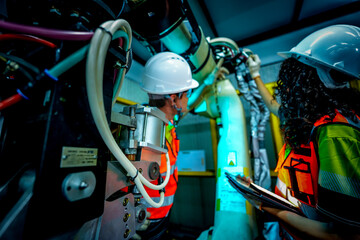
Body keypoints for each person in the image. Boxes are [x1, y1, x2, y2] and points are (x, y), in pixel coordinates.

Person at [244, 24, 360, 239]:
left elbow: (341, 235)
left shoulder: (335, 133)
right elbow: (272, 106)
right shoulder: (311, 118)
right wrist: (256, 75)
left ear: (314, 79)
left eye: (295, 75)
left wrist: (269, 207)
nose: (288, 86)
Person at [133, 51, 199, 240]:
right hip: (147, 220)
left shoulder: (164, 123)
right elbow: (134, 181)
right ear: (173, 99)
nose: (188, 98)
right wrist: (132, 216)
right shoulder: (148, 133)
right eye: (187, 93)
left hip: (160, 213)